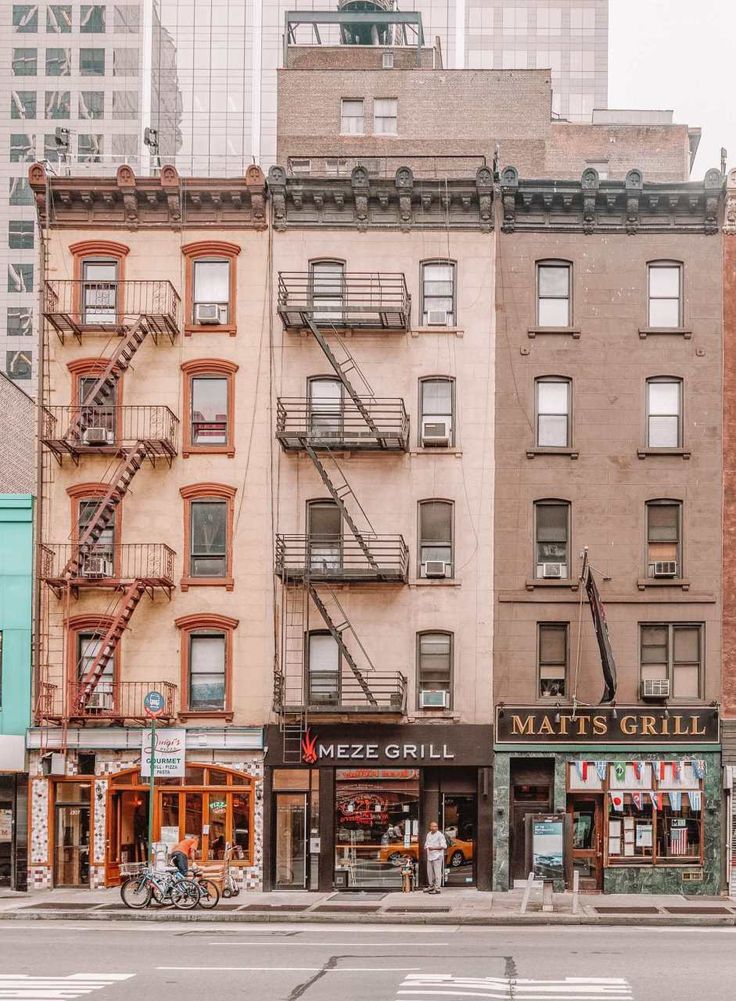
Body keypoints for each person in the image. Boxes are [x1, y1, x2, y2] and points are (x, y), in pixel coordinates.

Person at [423, 821, 447, 894]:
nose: (435, 828)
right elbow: (426, 844)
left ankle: (437, 889)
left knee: (437, 873)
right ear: (430, 827)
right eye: (433, 826)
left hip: (437, 856)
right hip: (430, 856)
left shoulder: (440, 835)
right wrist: (426, 847)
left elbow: (444, 846)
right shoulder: (428, 834)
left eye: (436, 826)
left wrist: (433, 848)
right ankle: (431, 886)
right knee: (430, 872)